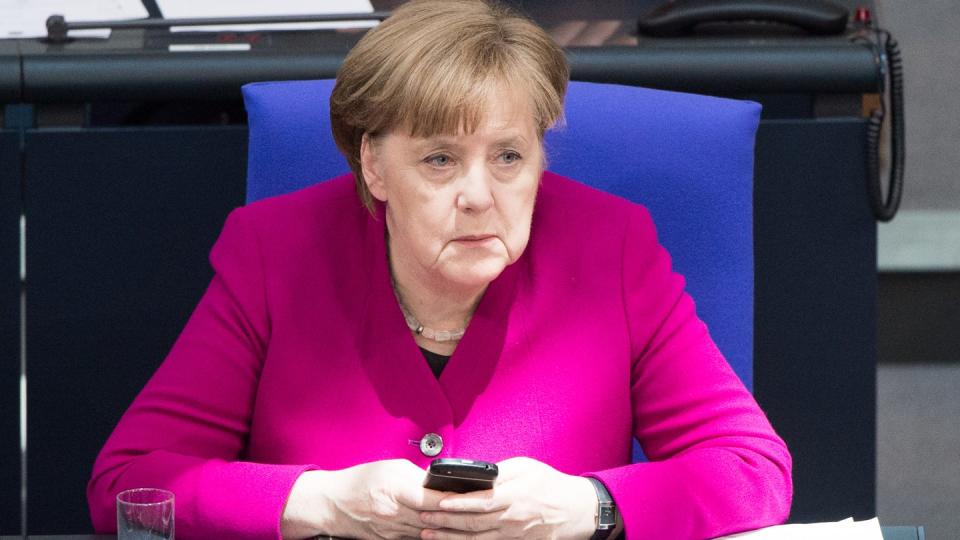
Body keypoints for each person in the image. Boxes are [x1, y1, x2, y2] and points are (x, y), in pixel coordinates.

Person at [87, 1, 792, 538]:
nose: (481, 195)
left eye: (509, 156)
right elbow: (130, 483)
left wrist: (585, 506)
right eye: (440, 159)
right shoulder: (274, 250)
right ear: (373, 163)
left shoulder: (613, 247)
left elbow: (752, 471)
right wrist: (323, 502)